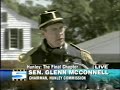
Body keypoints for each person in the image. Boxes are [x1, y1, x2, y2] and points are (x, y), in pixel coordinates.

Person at [18, 10, 96, 90]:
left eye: (61, 28)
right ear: (43, 33)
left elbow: (96, 85)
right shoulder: (28, 59)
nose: (59, 33)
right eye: (54, 29)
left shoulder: (82, 56)